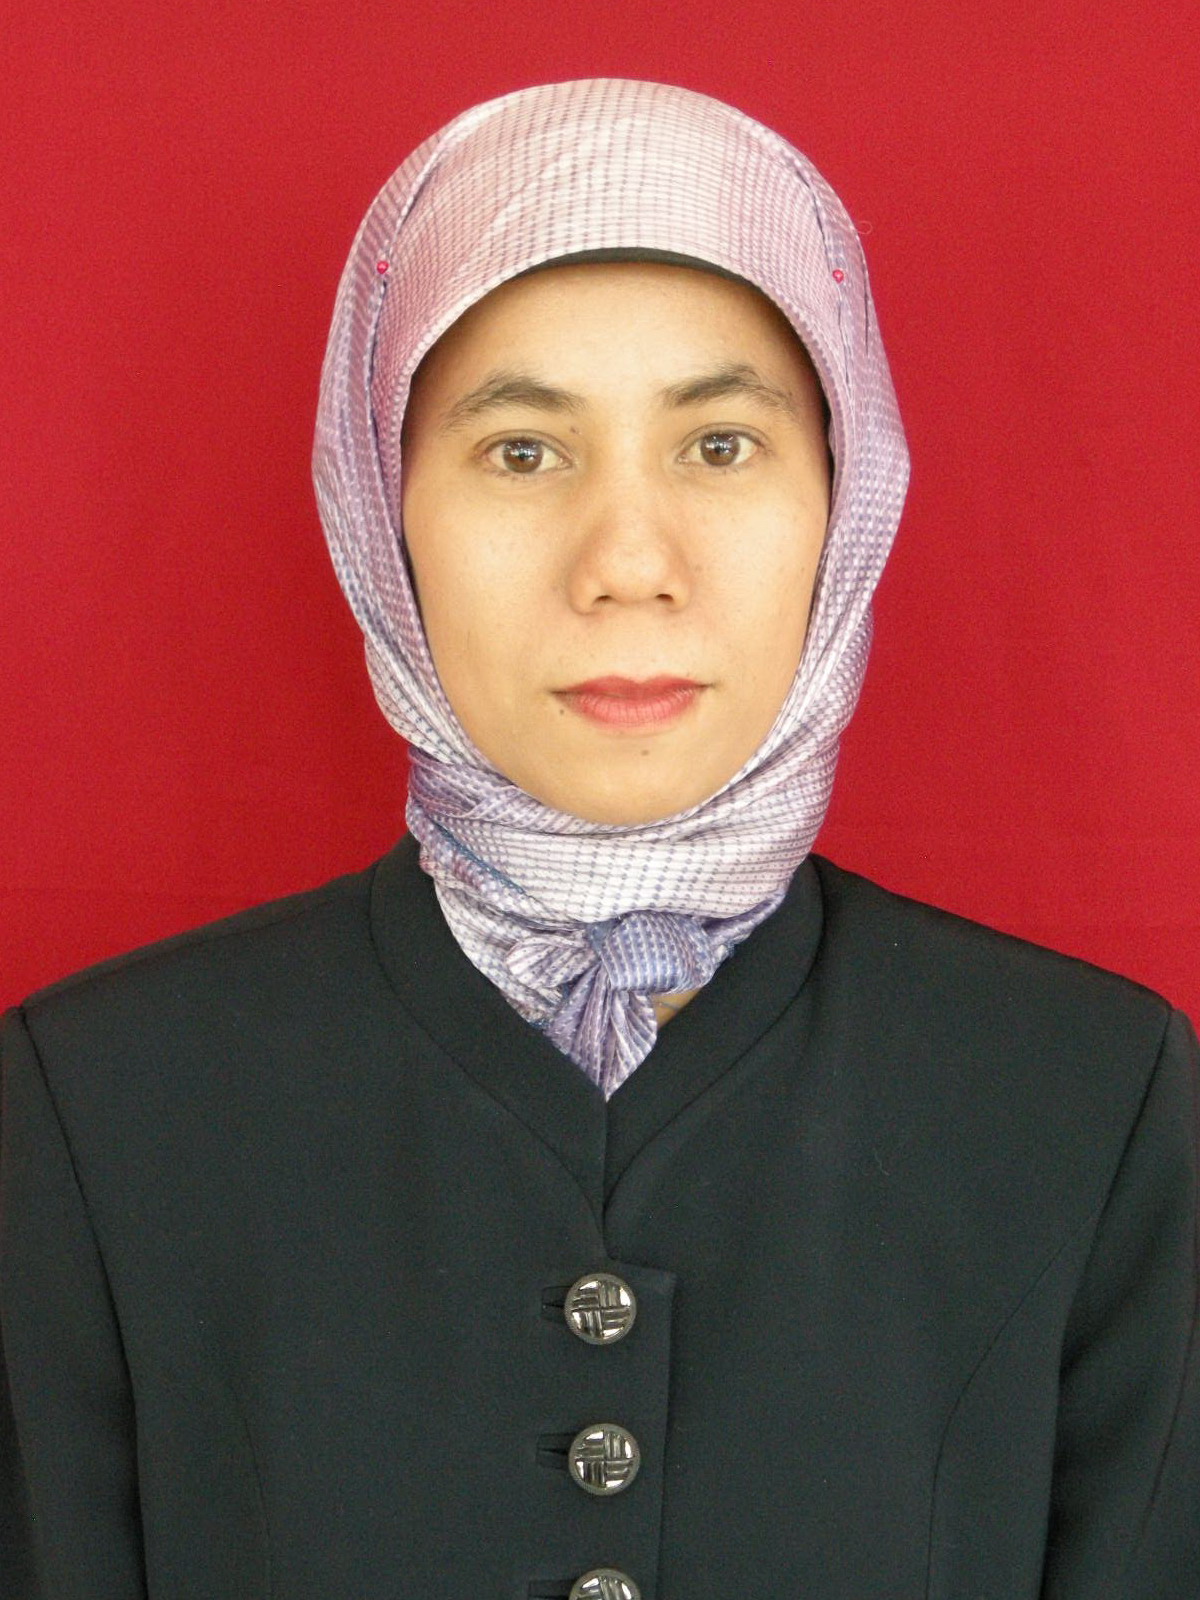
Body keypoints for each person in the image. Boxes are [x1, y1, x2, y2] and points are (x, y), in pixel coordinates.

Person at [1, 78, 1196, 1600]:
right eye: (521, 451)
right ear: (381, 507)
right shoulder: (98, 1110)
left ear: (846, 500)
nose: (629, 563)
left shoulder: (1088, 1102)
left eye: (722, 445)